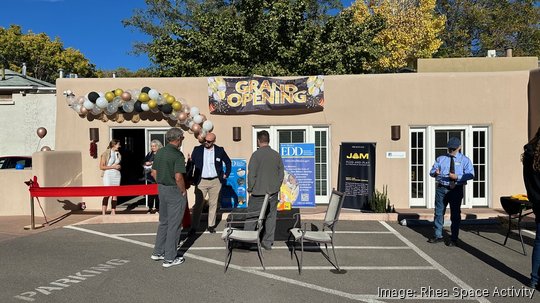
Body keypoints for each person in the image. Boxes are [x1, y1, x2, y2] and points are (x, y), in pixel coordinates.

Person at [150, 128, 188, 268]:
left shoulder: (160, 152)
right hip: (173, 189)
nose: (182, 140)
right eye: (182, 138)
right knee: (174, 224)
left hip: (162, 188)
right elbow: (178, 177)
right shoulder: (177, 154)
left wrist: (162, 182)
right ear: (178, 139)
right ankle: (170, 258)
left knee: (164, 222)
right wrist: (183, 191)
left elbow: (154, 172)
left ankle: (158, 252)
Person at [428, 137, 474, 246]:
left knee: (455, 215)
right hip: (441, 188)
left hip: (456, 189)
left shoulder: (465, 160)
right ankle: (438, 235)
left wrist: (457, 176)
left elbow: (471, 174)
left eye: (453, 149)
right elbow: (431, 172)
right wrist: (435, 172)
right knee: (439, 213)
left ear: (459, 147)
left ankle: (454, 238)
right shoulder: (441, 159)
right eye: (449, 148)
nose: (451, 151)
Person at [245, 130, 284, 250]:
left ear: (258, 141)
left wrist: (250, 189)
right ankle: (267, 242)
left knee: (252, 217)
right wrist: (276, 188)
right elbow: (281, 173)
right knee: (271, 217)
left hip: (258, 193)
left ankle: (248, 241)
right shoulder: (276, 154)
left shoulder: (256, 155)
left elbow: (252, 175)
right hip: (272, 193)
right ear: (268, 140)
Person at [190, 132, 231, 233]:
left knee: (213, 204)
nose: (206, 142)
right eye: (205, 140)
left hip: (215, 180)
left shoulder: (219, 150)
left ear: (213, 141)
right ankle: (194, 227)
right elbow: (192, 164)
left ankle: (211, 225)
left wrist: (226, 174)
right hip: (201, 181)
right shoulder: (197, 150)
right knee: (198, 204)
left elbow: (228, 162)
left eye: (209, 141)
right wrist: (190, 177)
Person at [522, 127, 540, 289]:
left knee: (539, 242)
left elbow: (528, 182)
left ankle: (534, 279)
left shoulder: (529, 155)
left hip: (537, 202)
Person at [99, 139, 122, 215]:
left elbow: (117, 165)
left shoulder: (118, 154)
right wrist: (113, 167)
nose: (119, 146)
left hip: (116, 175)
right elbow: (101, 167)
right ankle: (103, 213)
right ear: (114, 145)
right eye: (118, 144)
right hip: (108, 175)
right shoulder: (106, 153)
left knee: (115, 194)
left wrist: (118, 167)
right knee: (107, 194)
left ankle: (113, 211)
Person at [143, 139, 163, 213]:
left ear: (158, 146)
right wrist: (146, 163)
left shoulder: (161, 153)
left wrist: (151, 163)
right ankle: (150, 207)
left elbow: (161, 162)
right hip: (149, 176)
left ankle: (158, 207)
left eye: (154, 146)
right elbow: (144, 162)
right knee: (150, 192)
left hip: (158, 175)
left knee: (158, 192)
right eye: (151, 146)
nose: (152, 147)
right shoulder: (149, 154)